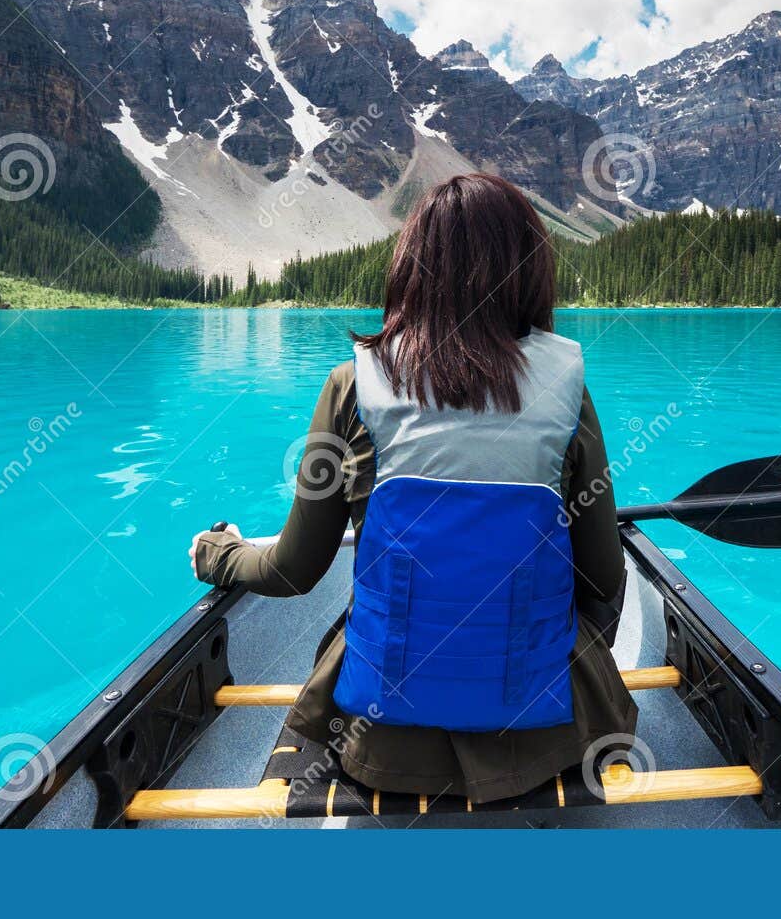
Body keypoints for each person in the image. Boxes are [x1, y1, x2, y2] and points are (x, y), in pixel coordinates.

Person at [190, 172, 633, 805]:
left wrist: (220, 553)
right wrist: (572, 667)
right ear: (529, 273)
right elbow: (602, 580)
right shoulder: (568, 391)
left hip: (379, 739)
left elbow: (294, 570)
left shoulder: (350, 387)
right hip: (548, 734)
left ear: (410, 272)